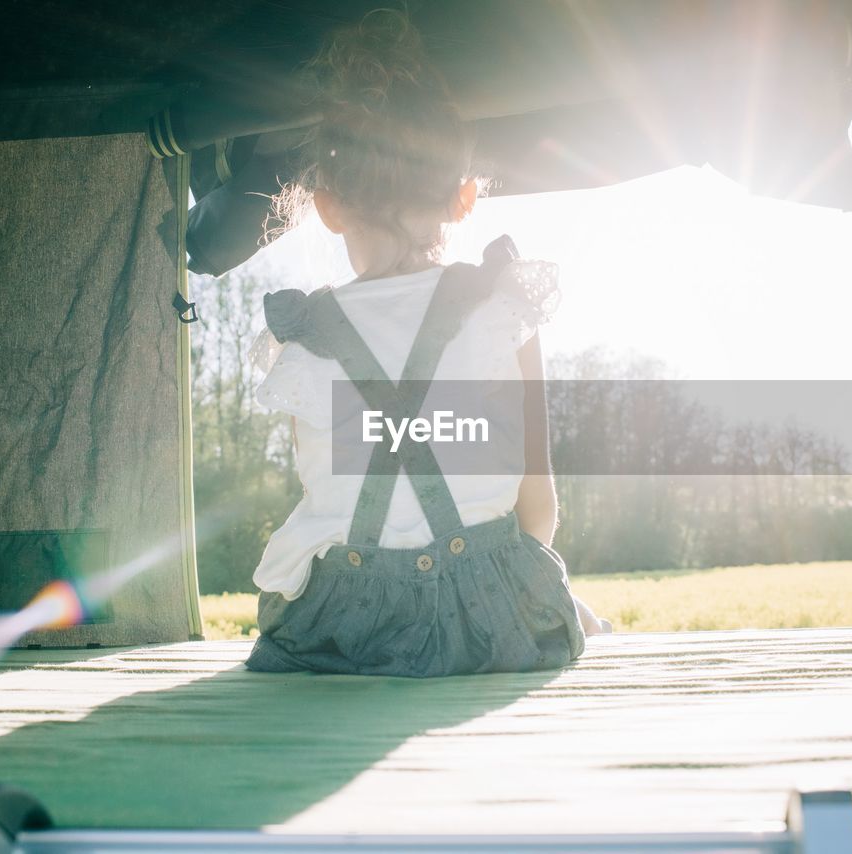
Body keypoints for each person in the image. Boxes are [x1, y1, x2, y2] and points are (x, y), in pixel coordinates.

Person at [244, 9, 609, 677]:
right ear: (463, 198)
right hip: (487, 613)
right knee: (567, 610)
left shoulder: (302, 338)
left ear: (326, 205)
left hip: (339, 624)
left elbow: (323, 487)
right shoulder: (503, 311)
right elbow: (538, 509)